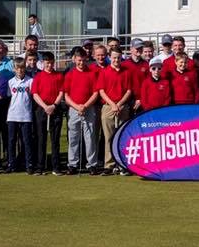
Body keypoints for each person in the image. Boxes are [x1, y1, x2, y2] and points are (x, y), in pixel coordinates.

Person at [63, 46, 100, 175]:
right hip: (74, 109)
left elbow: (95, 93)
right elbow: (66, 95)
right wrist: (77, 106)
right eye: (79, 60)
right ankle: (72, 164)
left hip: (88, 108)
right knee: (73, 137)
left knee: (90, 137)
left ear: (86, 59)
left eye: (83, 60)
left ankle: (92, 164)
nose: (81, 63)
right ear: (74, 59)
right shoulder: (70, 74)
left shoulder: (91, 73)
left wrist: (85, 106)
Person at [97, 47, 133, 175]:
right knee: (108, 138)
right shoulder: (104, 72)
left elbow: (129, 90)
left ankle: (122, 164)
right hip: (108, 107)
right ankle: (109, 165)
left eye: (118, 58)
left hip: (122, 107)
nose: (116, 60)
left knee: (122, 137)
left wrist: (119, 104)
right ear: (110, 57)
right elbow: (101, 91)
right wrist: (113, 104)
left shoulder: (126, 72)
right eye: (114, 58)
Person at [31, 51, 65, 175]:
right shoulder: (38, 76)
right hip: (42, 109)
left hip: (55, 109)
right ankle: (40, 166)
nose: (49, 65)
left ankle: (56, 167)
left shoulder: (59, 76)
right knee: (41, 139)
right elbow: (35, 94)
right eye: (47, 63)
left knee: (55, 139)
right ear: (43, 63)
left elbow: (61, 92)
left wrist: (54, 105)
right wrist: (45, 107)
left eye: (51, 63)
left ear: (54, 62)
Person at [6, 57, 35, 175]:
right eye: (17, 68)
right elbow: (9, 97)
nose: (20, 70)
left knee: (26, 141)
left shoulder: (30, 81)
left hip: (26, 116)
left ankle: (29, 164)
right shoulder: (10, 82)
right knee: (11, 141)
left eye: (22, 68)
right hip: (12, 116)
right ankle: (11, 164)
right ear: (14, 69)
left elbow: (32, 97)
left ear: (25, 68)